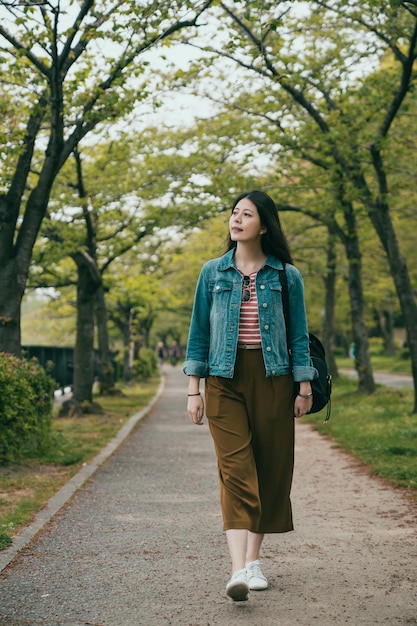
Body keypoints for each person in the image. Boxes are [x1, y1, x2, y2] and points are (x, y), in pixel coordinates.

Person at [182, 190, 317, 602]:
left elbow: (297, 334)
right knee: (236, 469)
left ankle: (254, 561)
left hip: (273, 379)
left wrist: (304, 384)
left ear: (264, 224)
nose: (237, 220)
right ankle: (237, 569)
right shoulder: (212, 272)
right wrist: (194, 389)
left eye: (247, 214)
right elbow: (198, 334)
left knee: (269, 469)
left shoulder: (284, 276)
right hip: (224, 380)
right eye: (235, 213)